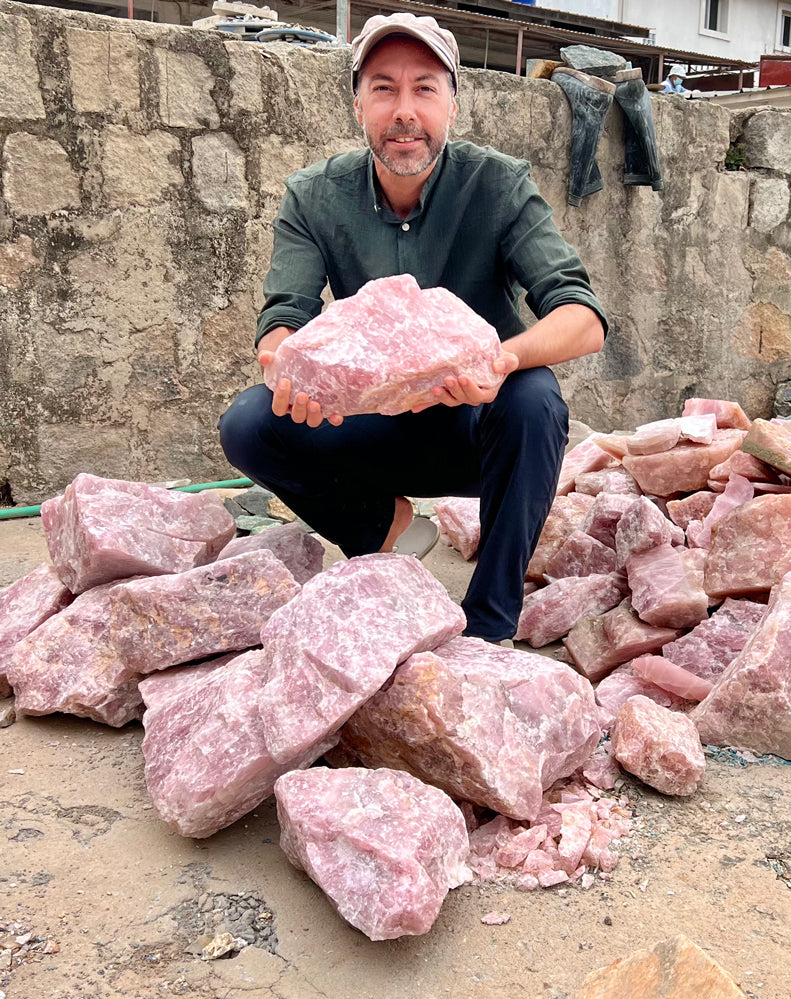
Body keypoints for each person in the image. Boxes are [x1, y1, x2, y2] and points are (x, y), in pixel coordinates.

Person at [218, 12, 607, 644]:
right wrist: (284, 363)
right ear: (358, 104)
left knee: (535, 398)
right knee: (249, 421)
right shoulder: (314, 196)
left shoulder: (499, 186)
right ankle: (383, 527)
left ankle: (487, 627)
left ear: (453, 103)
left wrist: (498, 363)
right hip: (366, 426)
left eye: (424, 88)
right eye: (384, 88)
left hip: (476, 430)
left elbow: (582, 318)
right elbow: (284, 314)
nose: (405, 110)